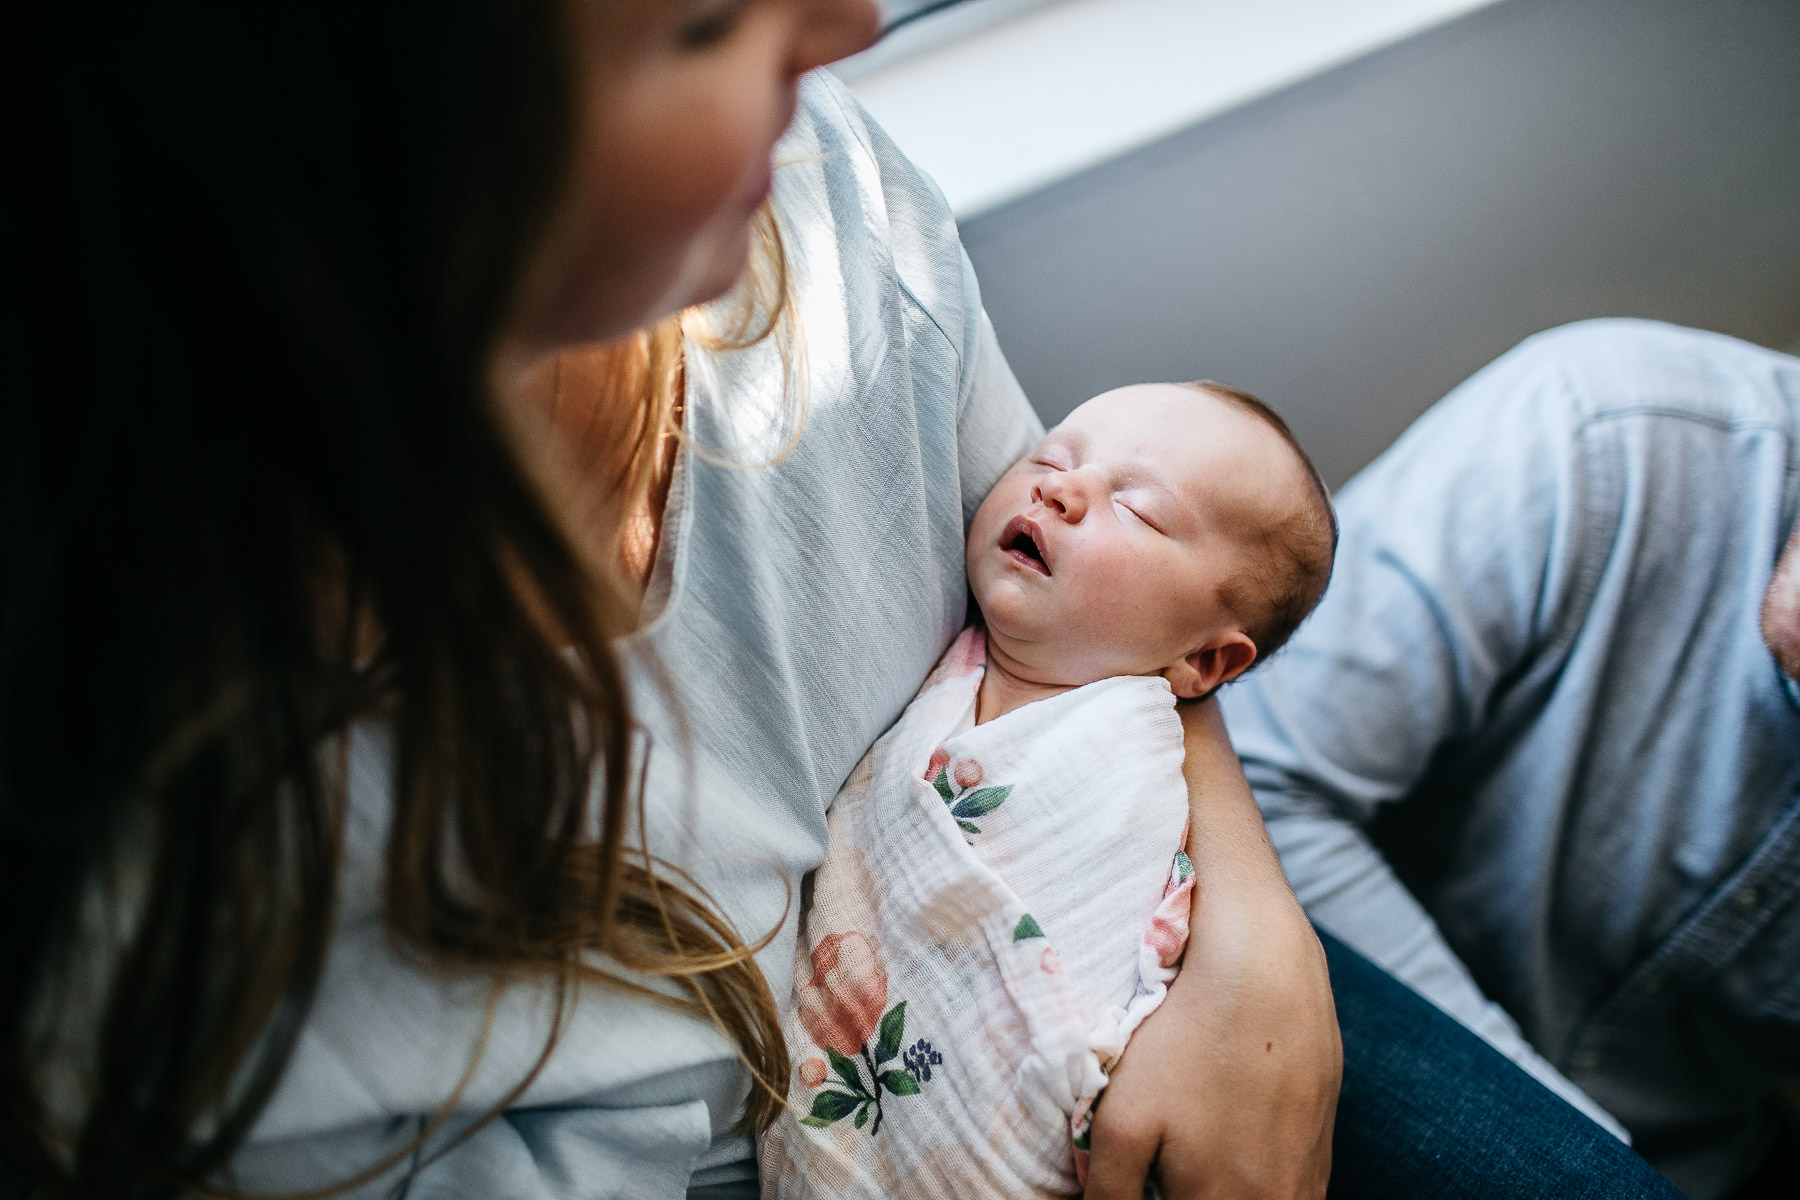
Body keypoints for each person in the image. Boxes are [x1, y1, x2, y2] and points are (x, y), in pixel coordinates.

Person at [0, 3, 1693, 1198]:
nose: (853, 26)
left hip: (1137, 986)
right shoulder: (174, 907)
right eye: (701, 24)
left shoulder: (821, 202)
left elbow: (1115, 649)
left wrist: (1259, 950)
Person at [1220, 318, 1800, 1199]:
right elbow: (1254, 782)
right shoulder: (1596, 431)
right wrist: (1576, 1164)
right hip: (1333, 1058)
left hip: (1713, 1157)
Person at [760, 381, 1336, 1196]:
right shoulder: (938, 655)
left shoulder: (1133, 765)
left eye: (1137, 510)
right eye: (1051, 457)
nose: (1060, 489)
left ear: (1204, 660)